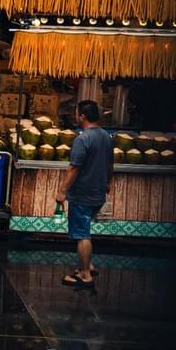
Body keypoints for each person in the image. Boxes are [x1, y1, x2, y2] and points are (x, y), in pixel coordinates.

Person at [56, 99, 113, 289]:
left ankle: (85, 274)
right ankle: (88, 264)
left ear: (82, 117)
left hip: (82, 194)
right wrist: (107, 183)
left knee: (82, 234)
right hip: (98, 192)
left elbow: (74, 168)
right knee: (85, 229)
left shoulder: (83, 139)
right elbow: (110, 165)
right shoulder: (107, 137)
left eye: (77, 113)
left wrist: (62, 192)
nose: (75, 116)